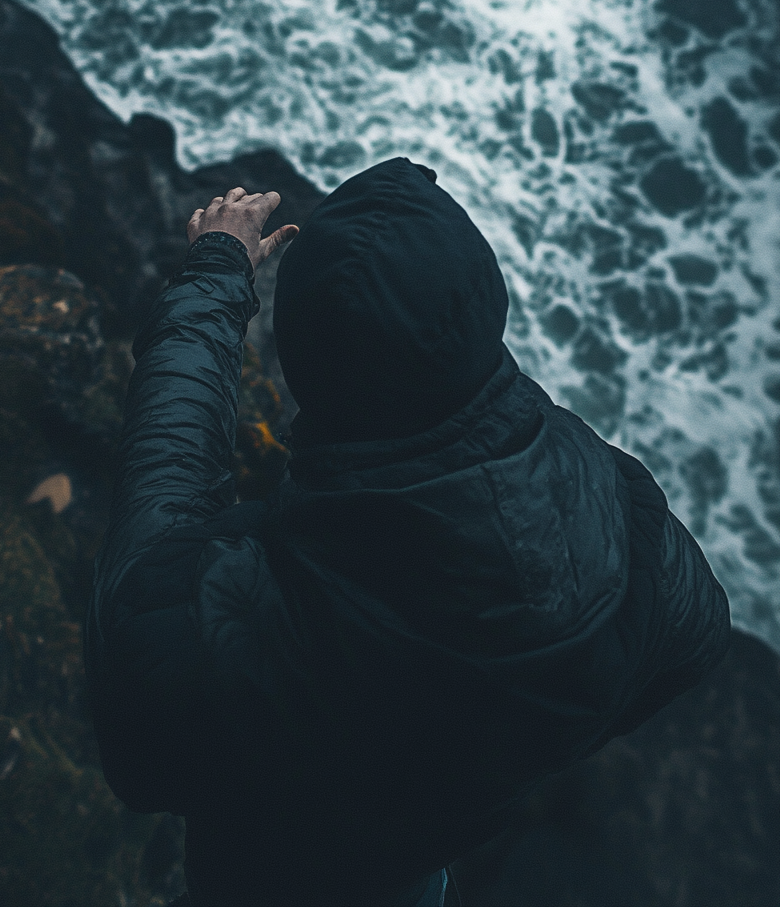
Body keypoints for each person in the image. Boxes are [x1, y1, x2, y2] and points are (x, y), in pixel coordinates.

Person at [85, 158, 730, 907]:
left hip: (263, 879)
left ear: (309, 365)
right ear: (485, 304)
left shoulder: (250, 617)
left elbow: (156, 535)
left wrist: (217, 275)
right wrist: (536, 736)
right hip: (412, 871)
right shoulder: (621, 504)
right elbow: (700, 633)